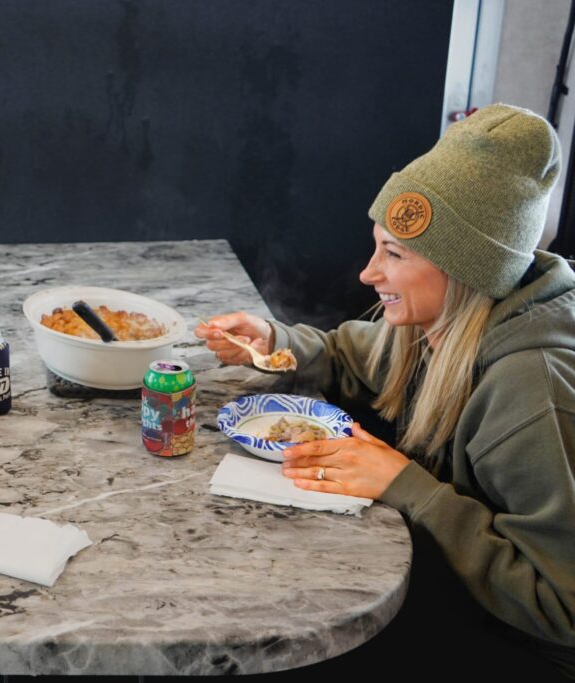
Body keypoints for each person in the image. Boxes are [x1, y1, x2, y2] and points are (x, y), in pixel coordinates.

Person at [196, 104, 575, 678]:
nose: (368, 274)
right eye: (378, 245)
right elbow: (352, 353)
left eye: (394, 254)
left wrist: (408, 487)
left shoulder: (531, 390)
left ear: (467, 270)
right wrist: (276, 340)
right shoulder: (442, 326)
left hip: (519, 646)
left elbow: (561, 606)